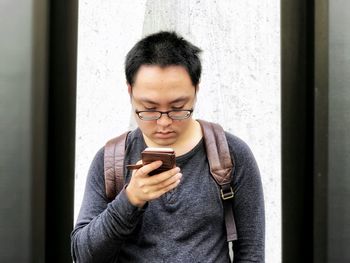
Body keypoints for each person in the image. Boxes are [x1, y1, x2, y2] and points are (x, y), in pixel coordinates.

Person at [71, 31, 265, 262]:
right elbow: (82, 254)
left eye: (178, 107)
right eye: (149, 108)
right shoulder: (110, 160)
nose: (164, 122)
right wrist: (130, 199)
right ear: (130, 91)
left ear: (196, 90)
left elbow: (251, 253)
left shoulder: (229, 155)